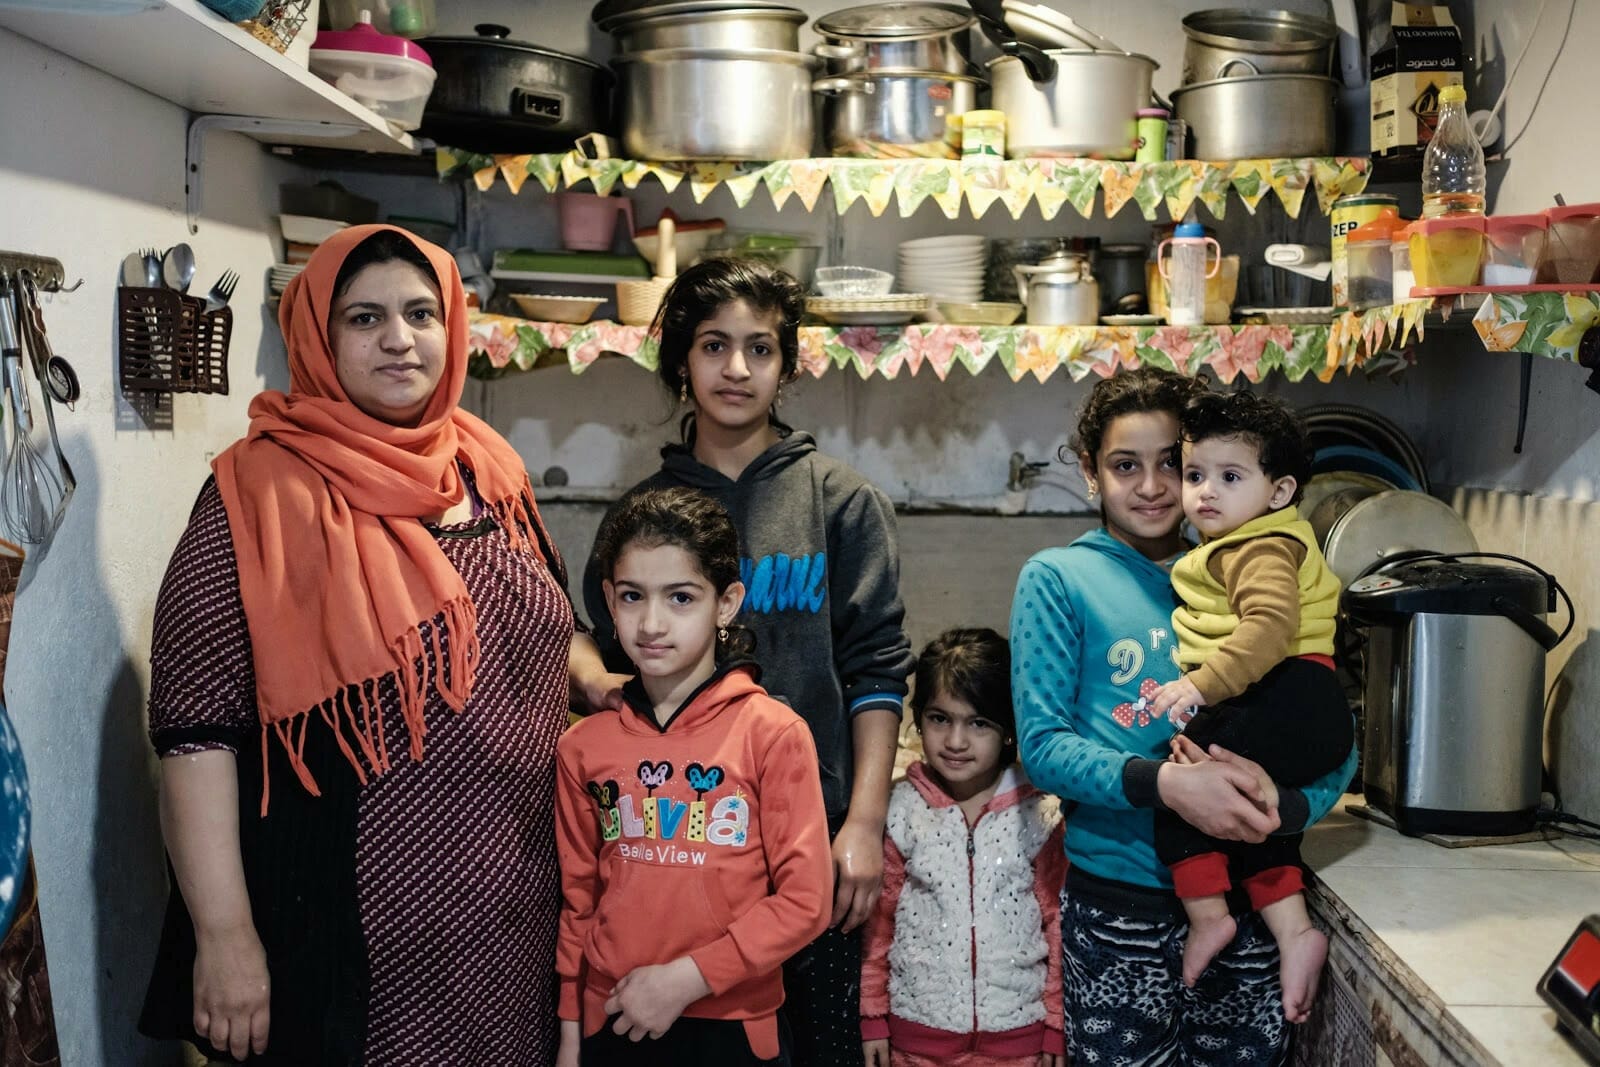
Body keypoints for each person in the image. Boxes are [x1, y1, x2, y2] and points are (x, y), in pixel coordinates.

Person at [138, 224, 627, 1066]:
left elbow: (540, 619)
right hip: (352, 936)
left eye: (421, 313)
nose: (400, 340)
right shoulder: (252, 495)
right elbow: (193, 731)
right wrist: (224, 937)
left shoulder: (489, 468)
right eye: (364, 319)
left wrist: (596, 678)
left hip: (509, 917)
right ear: (319, 339)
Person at [582, 257, 914, 1067]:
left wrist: (864, 823)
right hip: (679, 847)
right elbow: (602, 647)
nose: (737, 368)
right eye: (713, 345)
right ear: (680, 362)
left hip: (817, 849)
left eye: (760, 348)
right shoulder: (642, 515)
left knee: (822, 1048)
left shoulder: (841, 502)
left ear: (787, 361)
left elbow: (876, 670)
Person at [1009, 367, 1358, 1064]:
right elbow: (1044, 746)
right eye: (1124, 464)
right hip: (1120, 907)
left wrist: (1284, 808)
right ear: (1089, 471)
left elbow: (1328, 735)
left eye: (1173, 462)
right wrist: (1166, 785)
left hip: (1255, 904)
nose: (1153, 486)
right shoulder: (1058, 578)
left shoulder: (1251, 565)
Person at [558, 486, 833, 1066]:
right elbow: (578, 899)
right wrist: (569, 1027)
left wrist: (688, 979)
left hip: (733, 1027)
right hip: (613, 1019)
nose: (652, 623)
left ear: (726, 602)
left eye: (681, 597)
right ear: (609, 599)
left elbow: (807, 901)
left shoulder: (773, 734)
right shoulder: (584, 746)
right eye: (632, 596)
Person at [1144, 389, 1353, 1022]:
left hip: (1290, 692)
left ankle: (1209, 919)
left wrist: (1200, 687)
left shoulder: (1258, 547)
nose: (1205, 491)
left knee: (1179, 786)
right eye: (1196, 474)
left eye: (1231, 477)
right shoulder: (1248, 540)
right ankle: (1295, 934)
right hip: (1302, 700)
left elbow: (1267, 627)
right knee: (1251, 814)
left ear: (1280, 491)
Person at [859, 628, 1065, 1067]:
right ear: (918, 718)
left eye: (978, 723)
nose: (955, 741)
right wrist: (873, 1015)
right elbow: (880, 923)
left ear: (1008, 728)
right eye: (940, 718)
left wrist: (1054, 1024)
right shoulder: (899, 809)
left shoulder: (1040, 815)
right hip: (917, 1040)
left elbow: (1056, 923)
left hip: (1018, 1041)